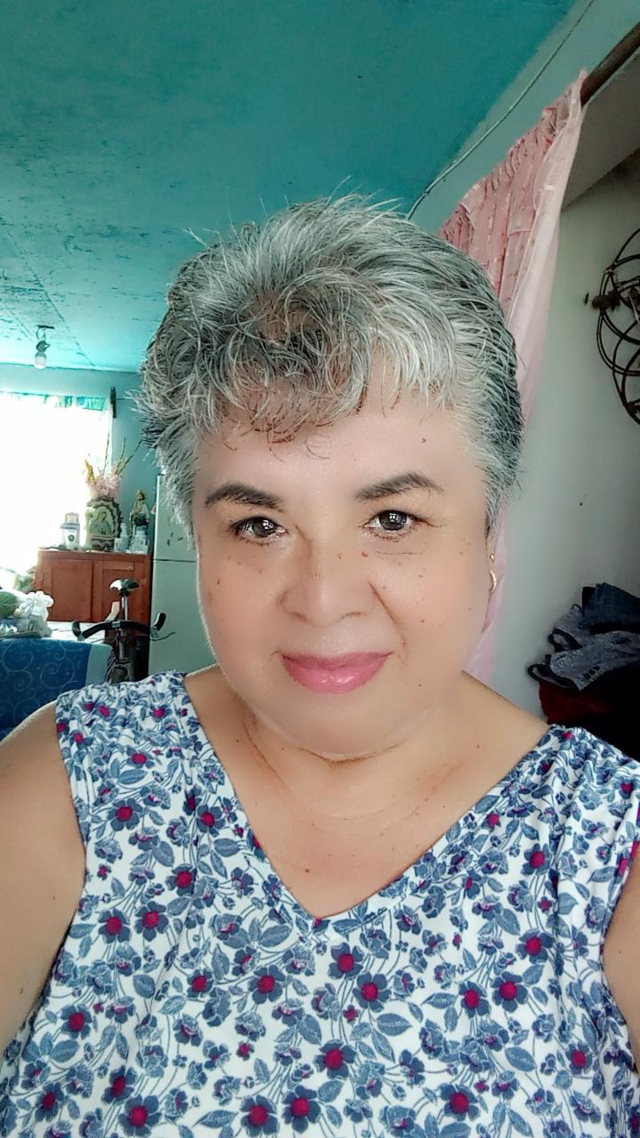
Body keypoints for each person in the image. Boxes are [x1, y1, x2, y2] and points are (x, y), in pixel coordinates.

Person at [0, 197, 638, 1137]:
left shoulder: (607, 845)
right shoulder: (68, 778)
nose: (325, 598)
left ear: (489, 536)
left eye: (393, 518)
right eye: (259, 524)